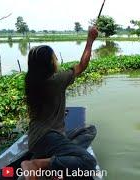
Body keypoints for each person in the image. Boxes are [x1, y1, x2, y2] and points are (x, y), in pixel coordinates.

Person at [21, 26, 99, 180]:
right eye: (54, 58)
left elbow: (46, 106)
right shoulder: (56, 81)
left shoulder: (31, 81)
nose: (56, 60)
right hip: (49, 137)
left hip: (36, 137)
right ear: (49, 64)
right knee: (88, 161)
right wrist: (90, 40)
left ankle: (56, 160)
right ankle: (37, 164)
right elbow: (82, 65)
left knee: (89, 130)